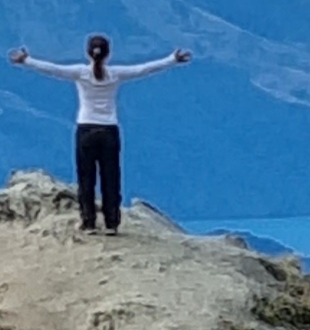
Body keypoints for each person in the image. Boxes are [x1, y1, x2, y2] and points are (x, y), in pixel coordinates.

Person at [10, 31, 192, 235]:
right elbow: (143, 69)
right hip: (109, 130)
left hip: (86, 129)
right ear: (108, 54)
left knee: (86, 179)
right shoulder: (116, 74)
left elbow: (52, 69)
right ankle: (111, 223)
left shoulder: (80, 73)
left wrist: (26, 60)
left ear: (88, 53)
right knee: (111, 178)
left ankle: (89, 223)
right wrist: (172, 59)